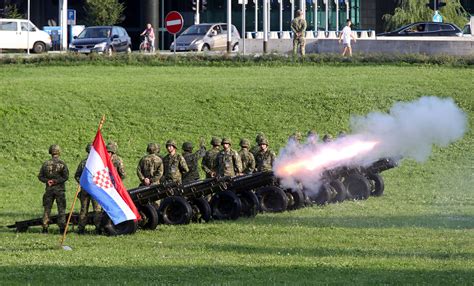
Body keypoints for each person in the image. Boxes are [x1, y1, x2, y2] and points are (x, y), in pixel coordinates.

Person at [38, 144, 69, 234]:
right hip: (60, 190)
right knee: (61, 209)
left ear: (50, 152)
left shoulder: (46, 164)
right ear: (59, 152)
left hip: (49, 190)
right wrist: (56, 181)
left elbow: (40, 176)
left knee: (47, 209)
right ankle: (62, 229)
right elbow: (65, 177)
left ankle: (45, 228)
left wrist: (48, 181)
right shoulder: (62, 164)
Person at [75, 143, 101, 234]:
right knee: (97, 209)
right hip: (95, 189)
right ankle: (98, 228)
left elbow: (77, 175)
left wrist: (82, 182)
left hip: (85, 189)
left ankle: (81, 229)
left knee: (83, 209)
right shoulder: (98, 163)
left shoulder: (83, 163)